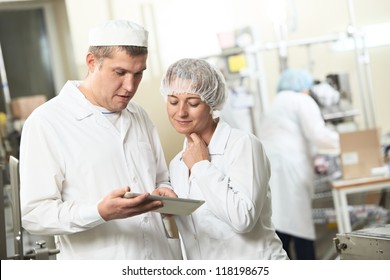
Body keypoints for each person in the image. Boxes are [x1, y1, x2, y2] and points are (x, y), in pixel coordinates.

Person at [19, 20, 182, 260]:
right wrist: (99, 212)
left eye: (138, 74)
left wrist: (165, 190)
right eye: (120, 72)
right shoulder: (47, 122)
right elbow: (35, 214)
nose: (130, 86)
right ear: (92, 62)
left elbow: (160, 177)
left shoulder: (139, 115)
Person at [160, 58, 288, 260]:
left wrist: (202, 166)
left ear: (211, 103)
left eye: (193, 103)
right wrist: (167, 206)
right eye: (173, 101)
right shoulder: (177, 164)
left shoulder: (243, 145)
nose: (181, 112)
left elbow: (243, 218)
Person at [258, 68, 340, 260]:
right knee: (299, 224)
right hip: (291, 168)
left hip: (272, 167)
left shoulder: (274, 103)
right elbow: (318, 135)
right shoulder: (301, 100)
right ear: (304, 86)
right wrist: (347, 141)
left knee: (279, 223)